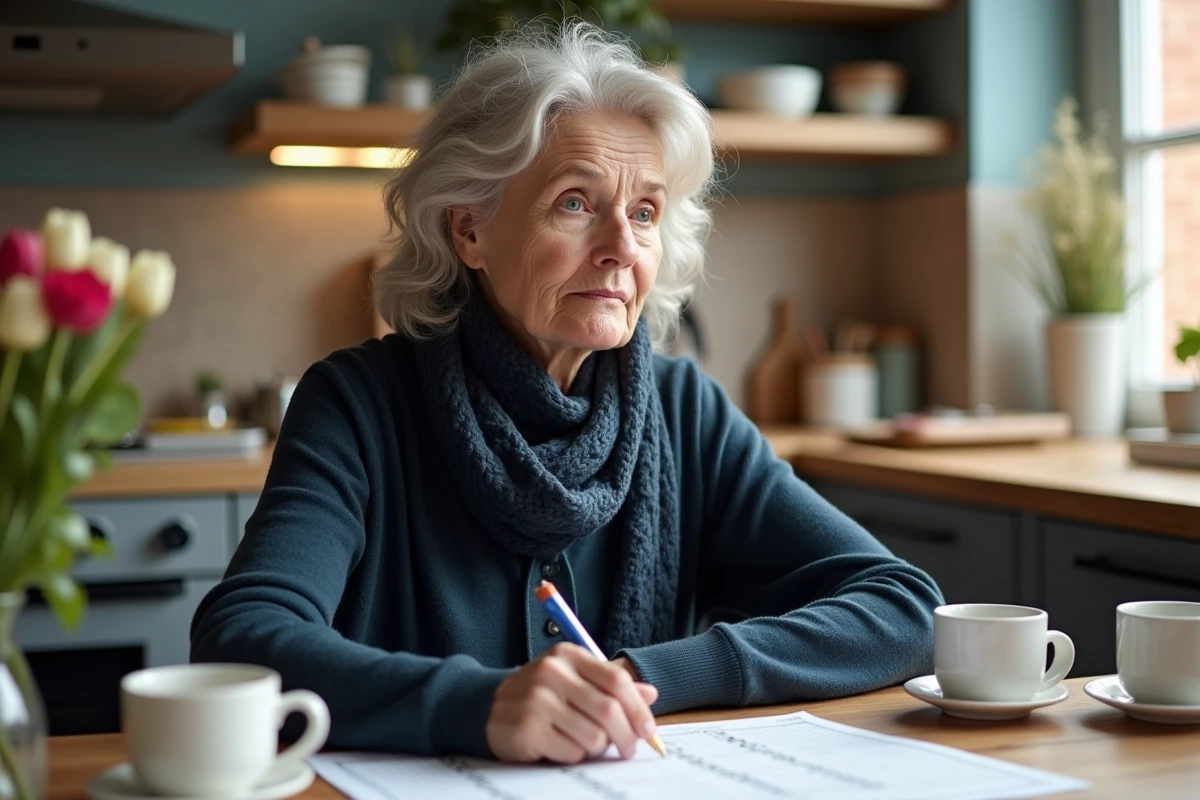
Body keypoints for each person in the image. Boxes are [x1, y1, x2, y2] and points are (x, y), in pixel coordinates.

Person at [190, 23, 942, 765]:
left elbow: (902, 609)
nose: (621, 245)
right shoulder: (359, 405)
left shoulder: (684, 410)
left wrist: (649, 678)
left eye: (645, 212)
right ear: (469, 232)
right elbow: (242, 636)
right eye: (576, 203)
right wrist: (476, 705)